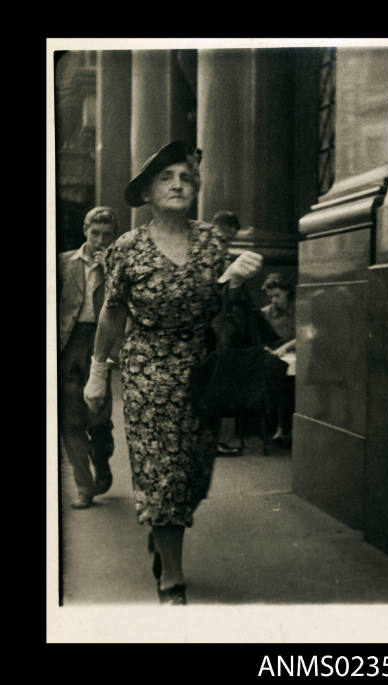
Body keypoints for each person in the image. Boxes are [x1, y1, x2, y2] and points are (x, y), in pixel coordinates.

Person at [83, 140, 262, 604]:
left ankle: (162, 527)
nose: (178, 185)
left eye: (185, 177)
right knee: (163, 473)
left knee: (193, 473)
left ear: (197, 187)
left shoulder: (211, 242)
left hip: (201, 375)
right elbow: (111, 313)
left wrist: (234, 281)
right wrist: (98, 372)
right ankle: (172, 579)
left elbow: (221, 310)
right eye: (167, 178)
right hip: (146, 374)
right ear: (146, 193)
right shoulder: (129, 247)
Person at [59, 206, 119, 509]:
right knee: (69, 421)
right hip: (69, 345)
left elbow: (123, 308)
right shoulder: (63, 262)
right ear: (85, 230)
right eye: (95, 233)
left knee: (97, 418)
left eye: (107, 235)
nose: (100, 240)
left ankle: (103, 459)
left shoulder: (118, 265)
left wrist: (110, 269)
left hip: (101, 344)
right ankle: (84, 487)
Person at [211, 210, 243, 456]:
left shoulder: (224, 258)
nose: (225, 246)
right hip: (213, 328)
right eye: (223, 239)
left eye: (228, 241)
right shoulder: (212, 257)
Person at [261, 272, 296, 448]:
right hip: (277, 360)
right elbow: (260, 337)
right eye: (271, 296)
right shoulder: (267, 313)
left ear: (287, 292)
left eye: (277, 295)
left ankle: (285, 428)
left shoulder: (299, 309)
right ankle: (280, 428)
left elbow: (306, 334)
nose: (274, 300)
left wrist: (286, 347)